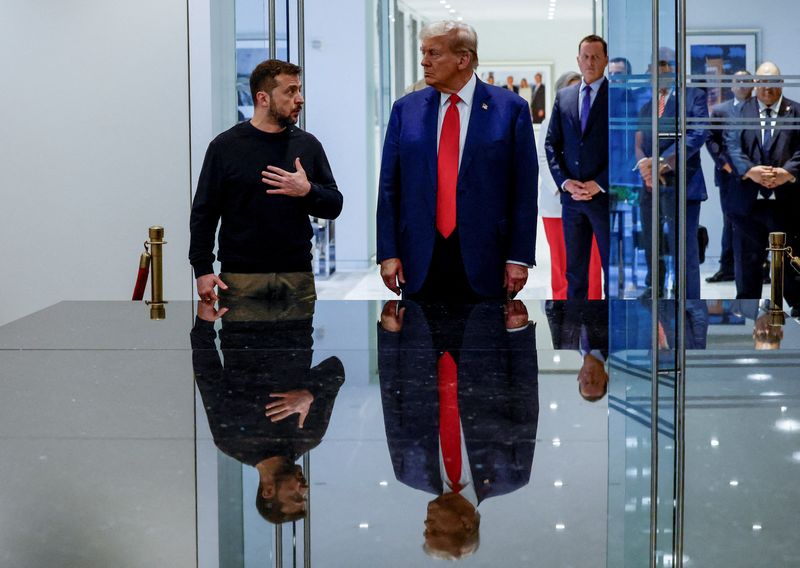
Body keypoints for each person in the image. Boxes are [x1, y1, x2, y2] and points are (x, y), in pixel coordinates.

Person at [376, 20, 538, 301]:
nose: (424, 62)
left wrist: (519, 257)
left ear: (464, 58)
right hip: (419, 255)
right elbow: (389, 187)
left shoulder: (510, 109)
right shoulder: (406, 110)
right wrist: (388, 252)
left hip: (488, 256)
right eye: (423, 52)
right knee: (421, 341)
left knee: (484, 342)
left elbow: (524, 190)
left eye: (434, 53)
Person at [378, 299, 538, 560]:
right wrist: (518, 334)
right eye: (436, 531)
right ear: (467, 524)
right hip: (483, 339)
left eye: (425, 532)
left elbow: (390, 401)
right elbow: (525, 400)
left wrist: (389, 337)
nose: (426, 525)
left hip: (419, 337)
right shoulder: (511, 476)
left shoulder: (408, 473)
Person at [189, 59, 343, 303]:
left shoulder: (308, 145)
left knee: (297, 342)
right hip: (240, 278)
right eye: (290, 91)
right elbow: (204, 213)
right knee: (240, 342)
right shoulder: (225, 147)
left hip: (296, 275)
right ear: (263, 98)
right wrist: (202, 269)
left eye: (299, 90)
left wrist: (307, 190)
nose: (299, 99)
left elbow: (334, 205)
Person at [190, 292, 345, 524]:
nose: (304, 488)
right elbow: (336, 369)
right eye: (305, 497)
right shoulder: (310, 435)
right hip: (295, 315)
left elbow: (208, 376)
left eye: (295, 496)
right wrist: (309, 393)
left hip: (241, 320)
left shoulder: (231, 441)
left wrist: (203, 325)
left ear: (268, 491)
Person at [725, 61, 800, 315]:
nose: (767, 88)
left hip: (785, 201)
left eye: (773, 82)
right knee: (747, 260)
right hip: (748, 201)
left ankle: (797, 306)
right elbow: (732, 146)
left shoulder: (796, 112)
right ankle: (747, 309)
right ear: (755, 84)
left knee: (789, 260)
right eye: (762, 82)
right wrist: (751, 171)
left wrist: (787, 173)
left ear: (781, 83)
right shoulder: (739, 112)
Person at [635, 56, 708, 299]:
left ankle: (686, 304)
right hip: (650, 187)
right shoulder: (646, 106)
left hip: (682, 185)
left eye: (665, 69)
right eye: (654, 71)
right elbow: (637, 140)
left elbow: (698, 134)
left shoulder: (693, 96)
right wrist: (646, 168)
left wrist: (663, 163)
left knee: (684, 251)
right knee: (651, 244)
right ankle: (654, 296)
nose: (660, 75)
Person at [545, 34, 610, 299]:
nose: (590, 62)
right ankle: (576, 326)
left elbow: (626, 148)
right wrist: (565, 182)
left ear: (605, 60)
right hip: (572, 199)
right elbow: (551, 144)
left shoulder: (618, 97)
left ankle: (610, 330)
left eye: (596, 56)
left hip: (604, 198)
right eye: (585, 56)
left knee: (610, 269)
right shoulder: (565, 96)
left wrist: (600, 183)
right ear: (578, 59)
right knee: (575, 272)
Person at [704, 70, 753, 284]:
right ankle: (727, 268)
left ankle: (757, 268)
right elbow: (710, 139)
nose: (742, 85)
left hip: (755, 176)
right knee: (730, 221)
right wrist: (724, 165)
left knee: (756, 222)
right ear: (731, 86)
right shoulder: (720, 111)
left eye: (746, 82)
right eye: (738, 82)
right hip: (729, 177)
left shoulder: (761, 110)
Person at [546, 300, 609, 401]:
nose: (590, 377)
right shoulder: (614, 342)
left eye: (586, 382)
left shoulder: (563, 347)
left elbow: (553, 312)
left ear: (579, 377)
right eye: (596, 382)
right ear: (606, 377)